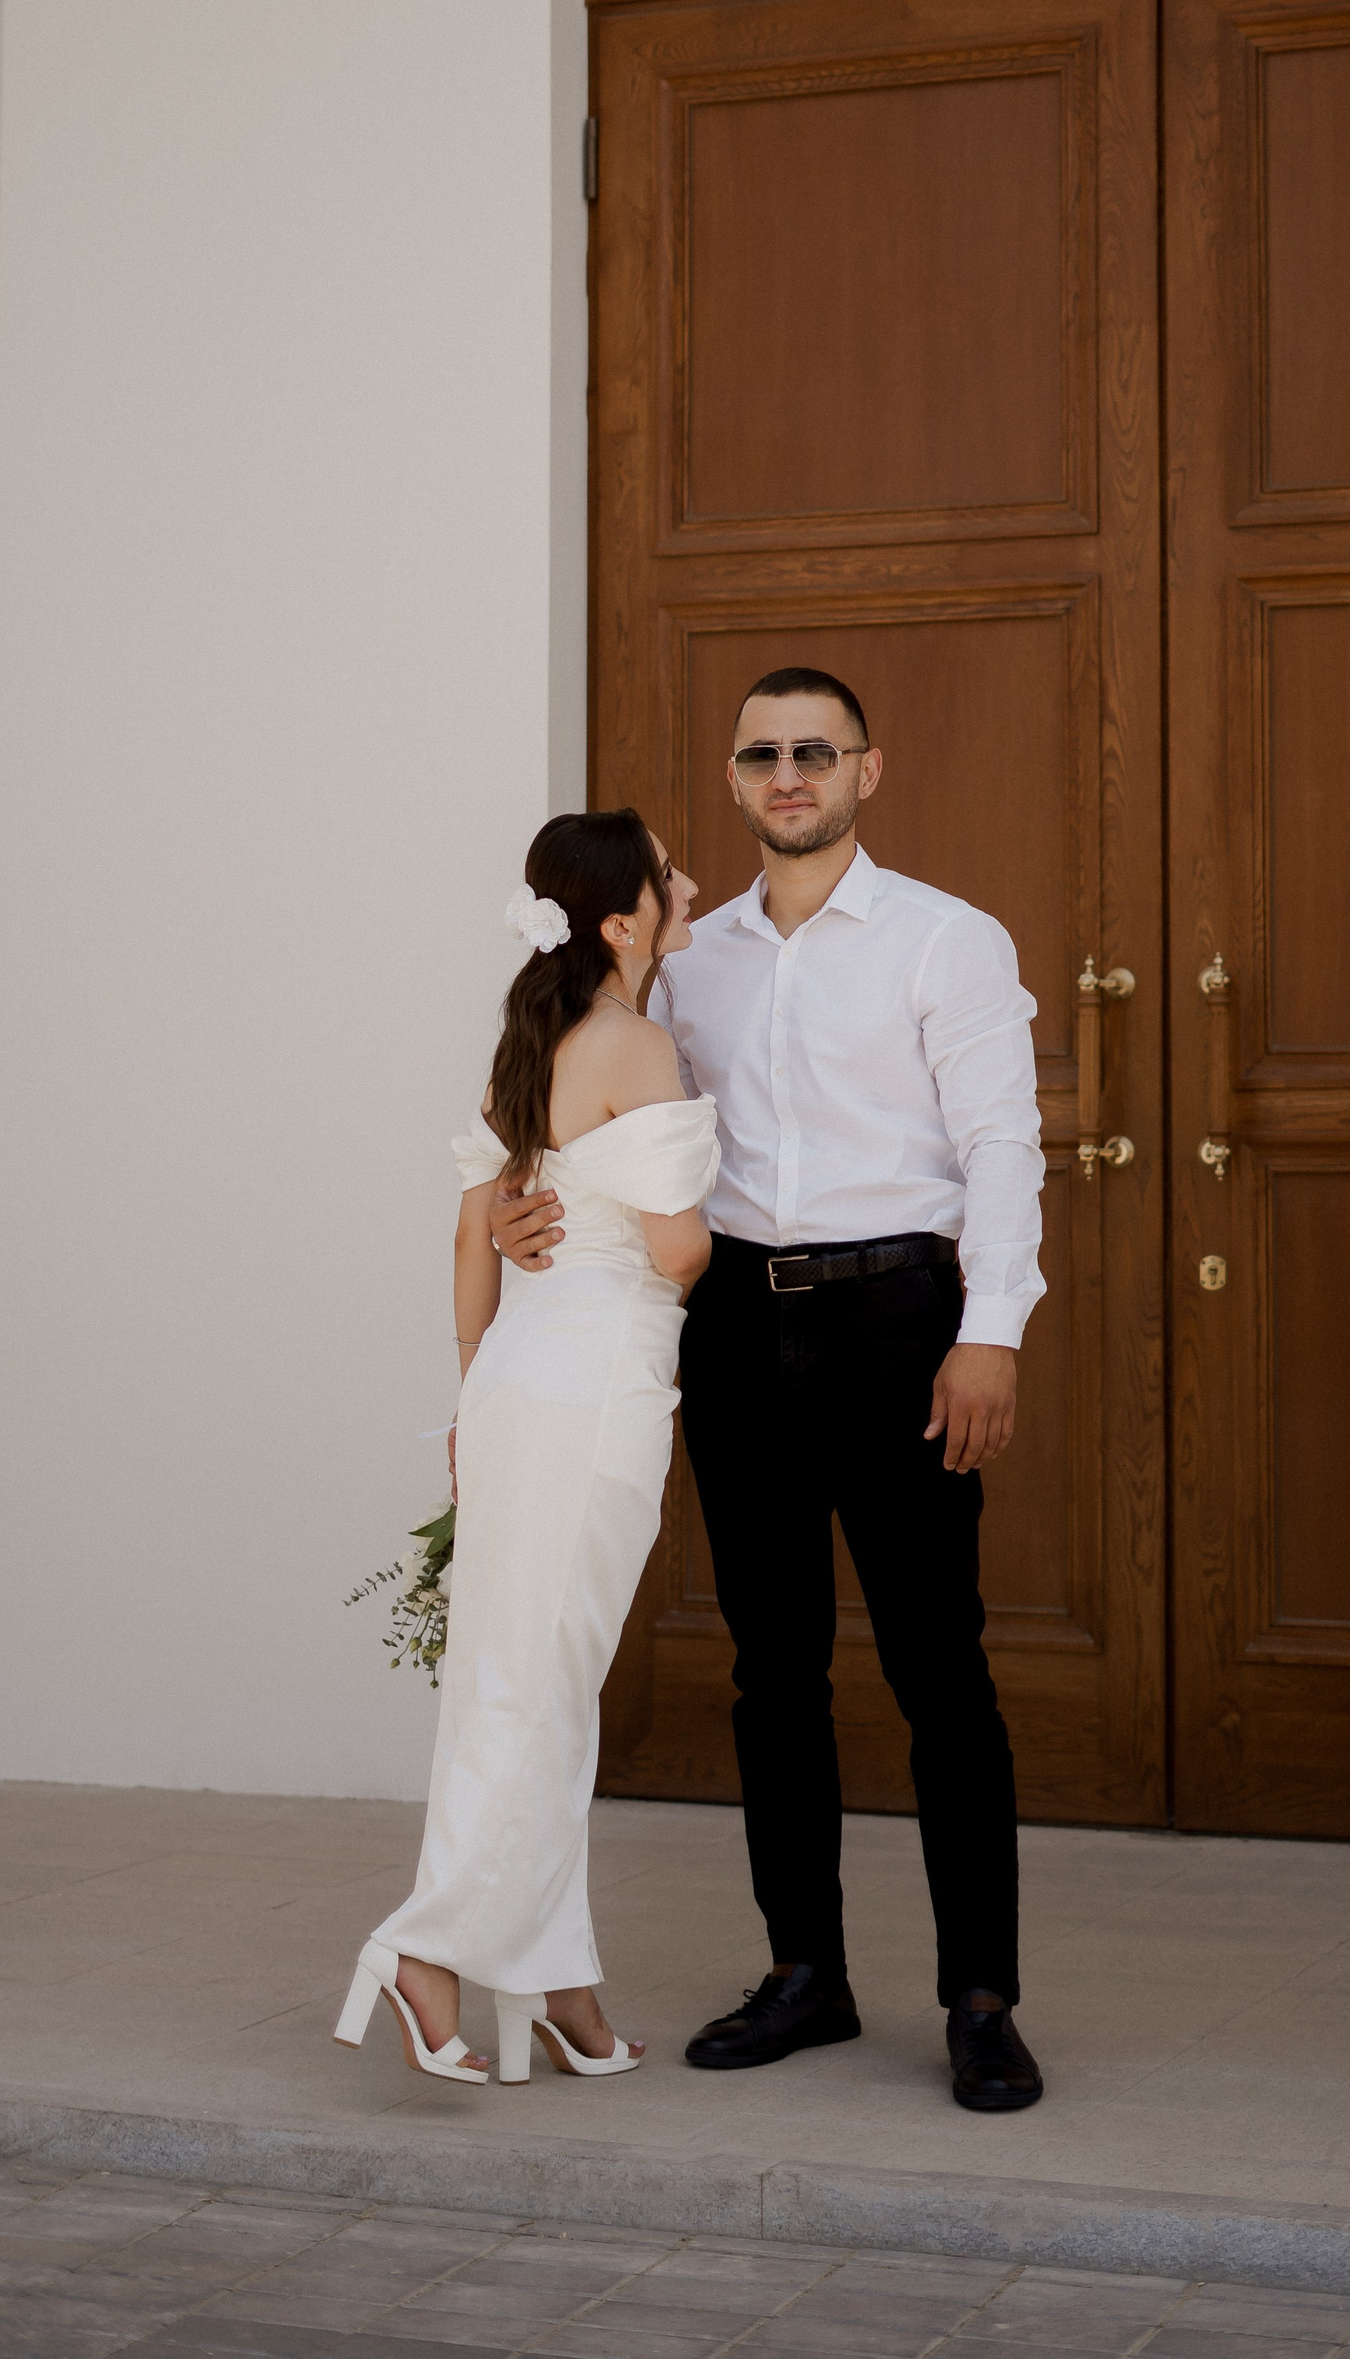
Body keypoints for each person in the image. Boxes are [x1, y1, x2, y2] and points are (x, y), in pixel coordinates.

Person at [492, 671, 1047, 2113]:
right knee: (772, 1670)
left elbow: (1002, 1145)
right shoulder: (689, 957)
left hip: (902, 1323)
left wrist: (991, 1331)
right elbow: (589, 1103)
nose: (788, 773)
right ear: (735, 780)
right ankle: (806, 1973)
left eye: (815, 750)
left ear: (868, 769)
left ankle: (981, 1999)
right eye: (761, 754)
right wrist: (522, 1207)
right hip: (734, 1325)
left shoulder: (947, 939)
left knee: (940, 1671)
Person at [335, 809, 716, 2089]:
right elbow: (678, 1250)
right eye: (665, 875)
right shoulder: (633, 1045)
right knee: (540, 1684)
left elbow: (470, 1238)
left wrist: (473, 1399)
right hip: (600, 1382)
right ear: (620, 921)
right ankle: (426, 1950)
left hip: (513, 1379)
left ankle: (563, 1992)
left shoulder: (527, 1045)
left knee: (519, 1678)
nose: (685, 884)